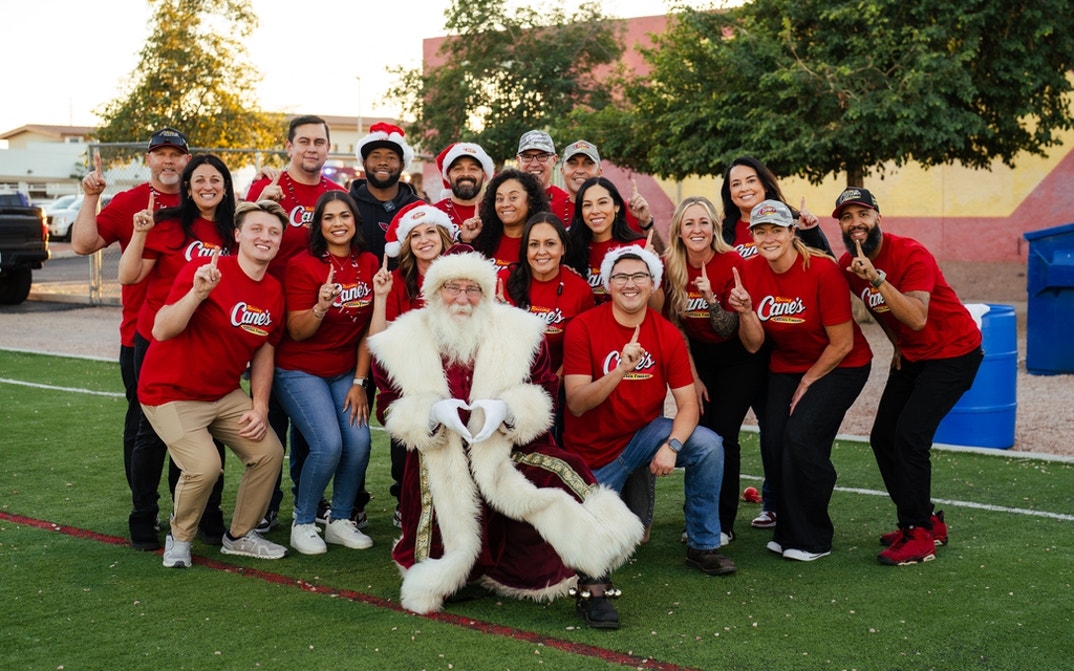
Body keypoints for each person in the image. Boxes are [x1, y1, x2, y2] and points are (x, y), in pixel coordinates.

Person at [368, 251, 642, 627]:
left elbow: (544, 390)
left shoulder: (521, 333)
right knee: (440, 526)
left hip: (506, 447)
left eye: (473, 289)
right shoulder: (400, 341)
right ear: (434, 292)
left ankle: (594, 584)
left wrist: (508, 411)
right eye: (452, 288)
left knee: (560, 472)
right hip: (442, 456)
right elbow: (387, 406)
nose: (462, 298)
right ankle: (463, 571)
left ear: (488, 293)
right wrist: (430, 413)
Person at [562, 245, 736, 578]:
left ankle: (703, 544)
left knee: (709, 445)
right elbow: (577, 403)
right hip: (593, 453)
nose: (630, 284)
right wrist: (619, 372)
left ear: (653, 284)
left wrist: (672, 447)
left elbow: (688, 406)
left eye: (640, 276)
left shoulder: (666, 333)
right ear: (608, 284)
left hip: (643, 438)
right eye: (621, 277)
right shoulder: (583, 327)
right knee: (577, 543)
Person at [833, 188, 983, 565]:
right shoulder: (848, 266)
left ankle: (919, 534)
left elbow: (916, 315)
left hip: (955, 353)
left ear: (878, 218)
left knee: (910, 437)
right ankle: (927, 518)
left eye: (862, 215)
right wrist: (898, 344)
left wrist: (878, 280)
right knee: (883, 436)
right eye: (847, 217)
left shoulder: (911, 253)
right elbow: (889, 317)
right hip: (914, 355)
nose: (856, 224)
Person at [138, 200, 292, 568]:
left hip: (223, 393)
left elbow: (264, 352)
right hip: (169, 391)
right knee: (205, 467)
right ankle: (180, 537)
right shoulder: (205, 269)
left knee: (268, 453)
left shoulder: (273, 290)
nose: (264, 237)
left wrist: (259, 405)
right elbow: (161, 329)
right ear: (237, 235)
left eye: (273, 232)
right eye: (256, 229)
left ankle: (239, 536)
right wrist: (198, 294)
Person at [728, 200, 872, 561]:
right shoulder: (749, 271)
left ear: (793, 232)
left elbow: (843, 343)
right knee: (775, 440)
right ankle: (788, 530)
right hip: (786, 365)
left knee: (802, 438)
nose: (769, 237)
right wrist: (745, 312)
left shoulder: (822, 270)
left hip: (842, 364)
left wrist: (808, 381)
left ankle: (814, 537)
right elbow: (754, 343)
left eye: (777, 229)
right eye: (761, 231)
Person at [119, 153, 237, 551]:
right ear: (187, 187)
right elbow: (128, 276)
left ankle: (205, 515)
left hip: (208, 345)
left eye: (215, 180)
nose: (208, 186)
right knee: (152, 433)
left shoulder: (232, 232)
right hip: (159, 337)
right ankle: (143, 515)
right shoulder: (168, 226)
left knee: (207, 428)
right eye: (199, 179)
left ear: (226, 187)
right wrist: (139, 232)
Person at [70, 127, 190, 505]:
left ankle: (187, 509)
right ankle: (145, 508)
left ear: (187, 159)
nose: (168, 160)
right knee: (143, 426)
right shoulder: (132, 200)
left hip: (194, 337)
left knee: (192, 426)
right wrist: (91, 197)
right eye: (161, 154)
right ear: (148, 160)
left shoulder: (203, 200)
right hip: (140, 336)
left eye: (176, 154)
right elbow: (83, 244)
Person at [245, 114, 348, 534]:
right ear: (288, 146)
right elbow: (240, 233)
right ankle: (265, 504)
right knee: (269, 420)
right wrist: (260, 199)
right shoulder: (267, 187)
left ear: (327, 148)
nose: (311, 148)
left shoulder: (334, 193)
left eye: (318, 142)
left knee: (312, 425)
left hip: (313, 320)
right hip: (268, 314)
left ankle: (313, 499)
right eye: (303, 141)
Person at [719, 155, 832, 529]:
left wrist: (813, 231)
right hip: (745, 344)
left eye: (750, 180)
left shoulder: (791, 222)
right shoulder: (725, 229)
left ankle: (778, 501)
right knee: (743, 428)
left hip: (786, 343)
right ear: (729, 193)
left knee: (779, 426)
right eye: (736, 183)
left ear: (765, 183)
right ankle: (730, 512)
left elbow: (824, 267)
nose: (744, 188)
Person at [273, 191, 378, 555]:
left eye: (344, 216)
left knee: (360, 441)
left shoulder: (368, 261)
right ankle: (303, 522)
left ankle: (341, 519)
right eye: (329, 217)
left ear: (355, 221)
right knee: (328, 444)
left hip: (344, 370)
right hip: (300, 369)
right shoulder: (304, 265)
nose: (338, 224)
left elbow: (370, 330)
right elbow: (297, 331)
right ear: (318, 225)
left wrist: (360, 382)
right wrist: (320, 306)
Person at [662, 196, 766, 542]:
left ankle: (722, 524)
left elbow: (728, 328)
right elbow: (675, 327)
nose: (697, 229)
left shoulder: (733, 262)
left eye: (703, 222)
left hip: (737, 357)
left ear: (714, 227)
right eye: (689, 223)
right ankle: (697, 518)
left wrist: (709, 299)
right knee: (697, 436)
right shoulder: (671, 265)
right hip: (698, 358)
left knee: (723, 437)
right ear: (678, 229)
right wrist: (692, 377)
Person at [370, 203, 459, 528]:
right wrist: (381, 297)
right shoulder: (396, 280)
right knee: (409, 449)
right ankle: (408, 503)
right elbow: (380, 344)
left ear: (444, 235)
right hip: (412, 380)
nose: (424, 240)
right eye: (415, 235)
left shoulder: (459, 275)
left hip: (458, 377)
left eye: (430, 231)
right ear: (406, 244)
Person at [500, 213, 595, 441]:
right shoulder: (503, 280)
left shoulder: (580, 290)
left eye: (550, 244)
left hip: (557, 386)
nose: (541, 251)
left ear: (563, 248)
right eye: (534, 244)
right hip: (508, 384)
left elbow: (577, 352)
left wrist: (550, 385)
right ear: (525, 250)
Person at [348, 122, 423, 261]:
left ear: (402, 165)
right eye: (375, 156)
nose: (383, 162)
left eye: (391, 157)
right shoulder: (346, 205)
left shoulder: (418, 208)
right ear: (364, 163)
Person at [566, 176, 645, 302]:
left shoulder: (638, 247)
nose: (595, 211)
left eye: (602, 202)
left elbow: (654, 307)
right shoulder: (569, 249)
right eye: (587, 205)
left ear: (617, 206)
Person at [558, 140, 652, 235]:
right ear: (562, 171)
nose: (580, 170)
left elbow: (650, 246)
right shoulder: (551, 210)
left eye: (588, 163)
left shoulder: (624, 209)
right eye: (572, 163)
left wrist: (646, 222)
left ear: (599, 172)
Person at [471, 169, 549, 268]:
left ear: (530, 201)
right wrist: (466, 240)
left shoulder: (543, 244)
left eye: (513, 198)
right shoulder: (481, 240)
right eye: (500, 199)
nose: (505, 204)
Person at [431, 142, 494, 241]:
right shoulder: (433, 214)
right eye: (458, 169)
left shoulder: (497, 211)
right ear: (448, 175)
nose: (465, 174)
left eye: (473, 169)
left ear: (484, 175)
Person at [516, 130, 570, 216]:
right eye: (527, 157)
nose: (534, 164)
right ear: (518, 160)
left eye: (542, 156)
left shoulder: (566, 203)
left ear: (554, 160)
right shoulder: (507, 203)